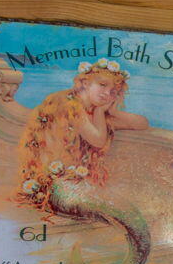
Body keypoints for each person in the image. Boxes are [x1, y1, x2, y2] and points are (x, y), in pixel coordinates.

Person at [15, 59, 152, 218]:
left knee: (132, 211)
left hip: (75, 184)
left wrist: (113, 112)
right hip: (54, 187)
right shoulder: (67, 104)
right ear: (86, 83)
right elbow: (98, 141)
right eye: (102, 85)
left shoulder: (92, 110)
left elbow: (142, 123)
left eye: (113, 91)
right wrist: (100, 112)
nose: (107, 93)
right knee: (127, 213)